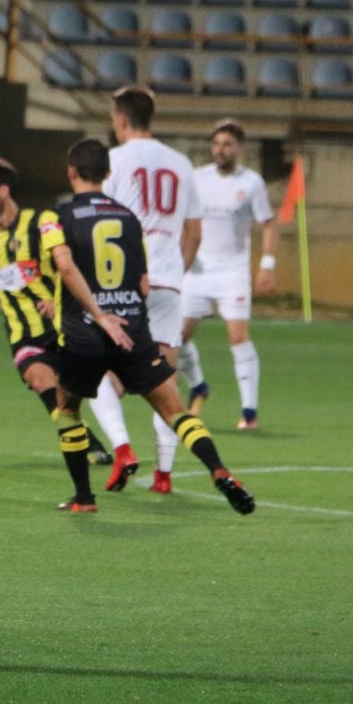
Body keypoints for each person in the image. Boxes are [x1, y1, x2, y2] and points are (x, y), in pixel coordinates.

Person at [49, 138, 254, 516]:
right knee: (176, 411)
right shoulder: (129, 218)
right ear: (108, 174)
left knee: (66, 409)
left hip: (87, 332)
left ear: (71, 172)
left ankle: (84, 498)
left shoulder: (55, 216)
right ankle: (219, 469)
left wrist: (89, 309)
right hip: (134, 331)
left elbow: (62, 267)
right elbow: (143, 283)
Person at [0, 157, 117, 508]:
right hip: (24, 334)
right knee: (40, 381)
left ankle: (112, 443)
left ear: (3, 191)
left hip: (63, 326)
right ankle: (88, 446)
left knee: (88, 390)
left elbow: (70, 265)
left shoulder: (42, 222)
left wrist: (57, 299)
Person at [103, 86, 202, 494]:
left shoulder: (114, 160)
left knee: (100, 373)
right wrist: (177, 270)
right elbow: (194, 232)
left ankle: (122, 448)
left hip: (128, 281)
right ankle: (163, 474)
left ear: (122, 119)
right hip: (170, 283)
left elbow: (102, 224)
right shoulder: (181, 163)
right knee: (166, 377)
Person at [178, 120, 278, 435]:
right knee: (176, 338)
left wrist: (267, 264)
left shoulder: (251, 183)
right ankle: (198, 386)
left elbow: (269, 224)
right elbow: (184, 221)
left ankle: (249, 412)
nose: (221, 150)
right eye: (217, 144)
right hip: (197, 269)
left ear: (239, 148)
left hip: (233, 271)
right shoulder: (197, 178)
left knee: (237, 336)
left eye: (227, 145)